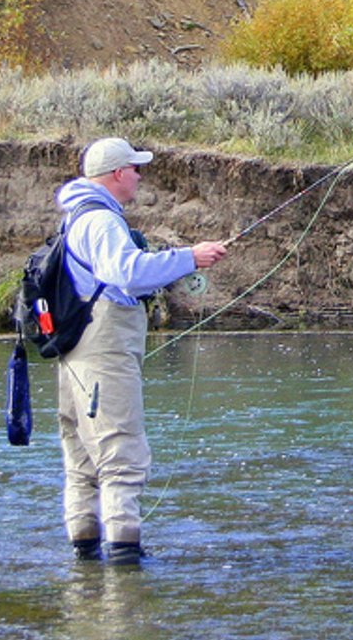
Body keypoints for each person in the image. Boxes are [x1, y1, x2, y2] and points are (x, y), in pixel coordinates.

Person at [54, 136, 228, 566]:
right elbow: (126, 273)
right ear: (116, 173)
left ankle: (86, 553)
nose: (139, 176)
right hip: (103, 353)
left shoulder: (77, 217)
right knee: (121, 454)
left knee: (81, 458)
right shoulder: (102, 222)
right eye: (135, 169)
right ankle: (125, 556)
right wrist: (191, 257)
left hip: (75, 354)